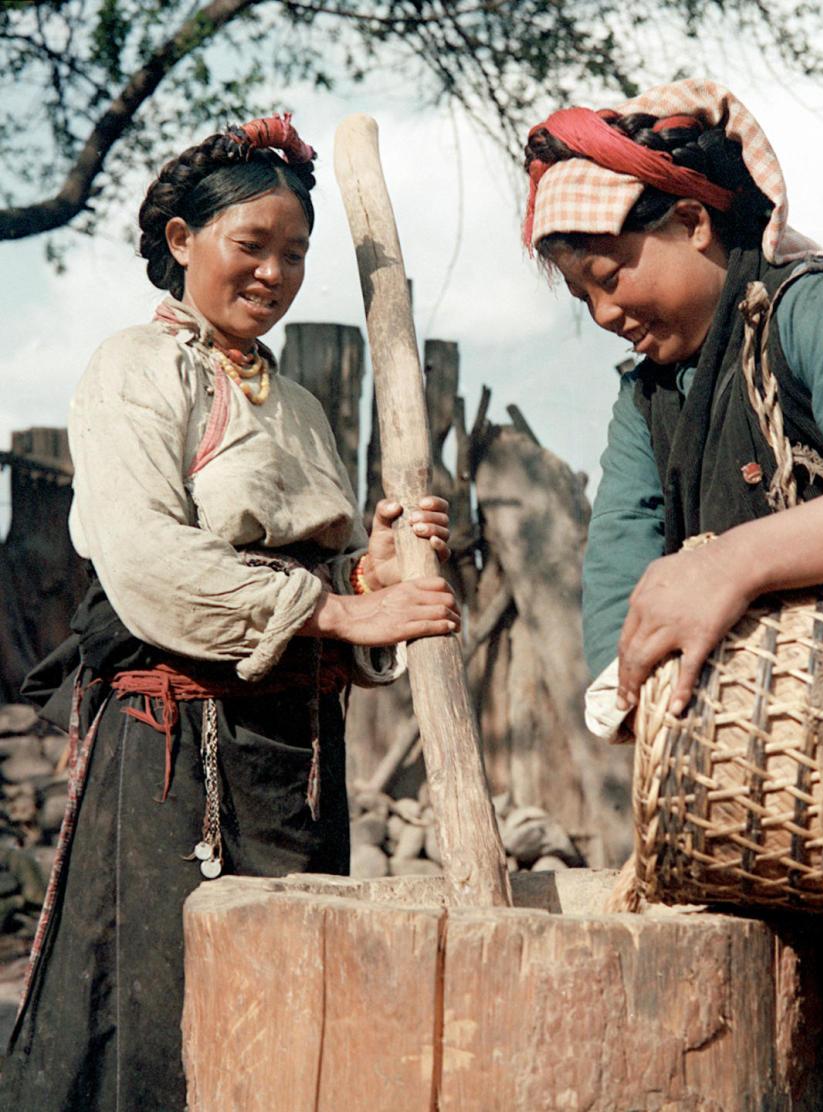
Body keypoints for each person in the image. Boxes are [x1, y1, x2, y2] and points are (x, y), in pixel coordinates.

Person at [1, 114, 459, 1111]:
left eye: (294, 254)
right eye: (250, 245)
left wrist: (371, 570)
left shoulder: (300, 407)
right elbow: (148, 560)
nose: (273, 273)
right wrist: (335, 612)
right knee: (171, 1026)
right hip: (178, 757)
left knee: (298, 1018)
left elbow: (323, 578)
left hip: (294, 759)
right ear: (181, 240)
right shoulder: (136, 368)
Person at [520, 79, 823, 736]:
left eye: (610, 278)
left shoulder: (816, 308)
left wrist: (730, 563)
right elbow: (621, 558)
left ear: (692, 223)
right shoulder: (645, 401)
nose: (604, 314)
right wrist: (630, 687)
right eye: (585, 300)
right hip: (773, 731)